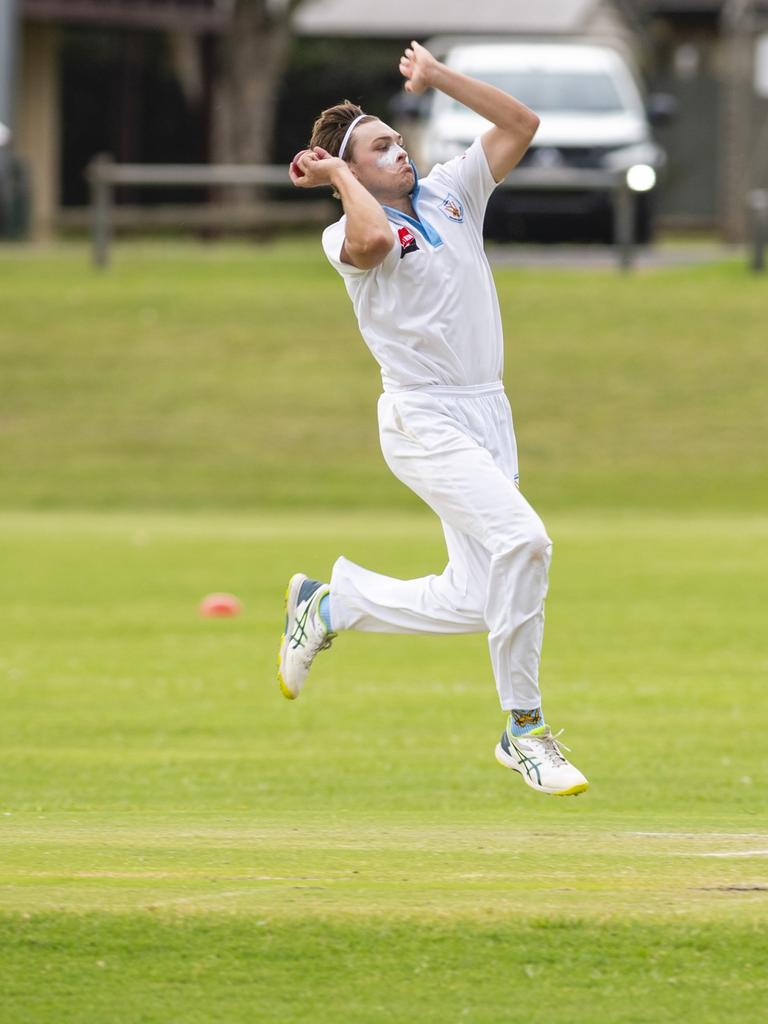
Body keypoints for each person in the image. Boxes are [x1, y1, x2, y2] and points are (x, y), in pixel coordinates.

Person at [279, 40, 588, 797]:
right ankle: (525, 730)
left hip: (489, 411)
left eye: (396, 137)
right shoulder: (344, 232)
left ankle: (332, 603)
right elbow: (375, 239)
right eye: (381, 146)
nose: (400, 150)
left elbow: (521, 124)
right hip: (424, 419)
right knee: (526, 541)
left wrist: (440, 78)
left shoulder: (452, 191)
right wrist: (345, 173)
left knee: (484, 596)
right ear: (349, 170)